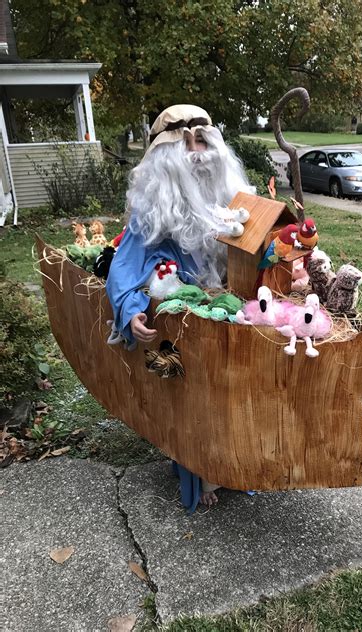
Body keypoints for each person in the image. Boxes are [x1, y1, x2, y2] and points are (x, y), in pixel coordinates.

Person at [106, 104, 254, 511]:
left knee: (234, 389)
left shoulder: (232, 198)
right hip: (182, 319)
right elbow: (127, 266)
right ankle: (200, 471)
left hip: (232, 311)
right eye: (185, 144)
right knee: (190, 398)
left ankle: (237, 462)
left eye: (202, 140)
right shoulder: (153, 211)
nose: (197, 152)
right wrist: (129, 308)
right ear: (166, 159)